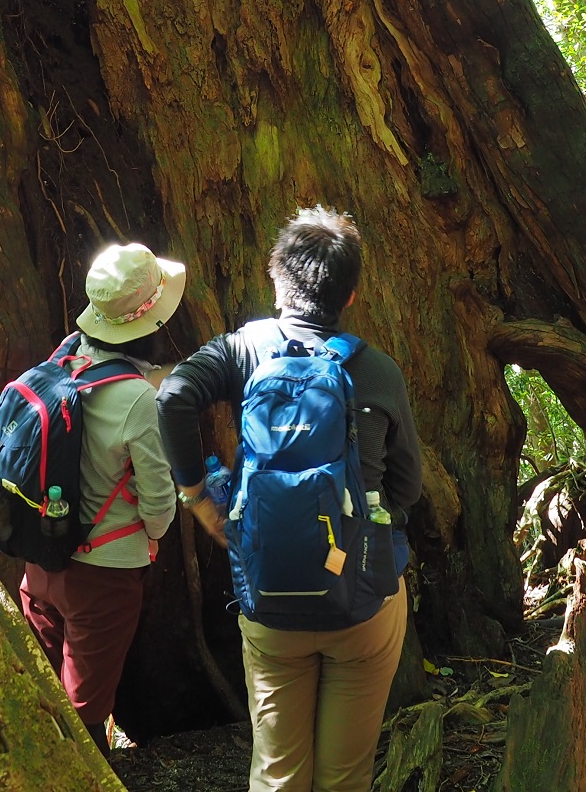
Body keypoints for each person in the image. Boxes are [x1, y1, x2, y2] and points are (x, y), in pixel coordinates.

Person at [159, 207, 423, 792]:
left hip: (270, 601)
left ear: (277, 280)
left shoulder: (245, 349)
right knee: (345, 776)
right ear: (350, 297)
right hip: (363, 601)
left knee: (277, 773)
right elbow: (407, 487)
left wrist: (200, 499)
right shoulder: (378, 371)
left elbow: (174, 394)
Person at [17, 242, 185, 751]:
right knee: (85, 717)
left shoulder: (64, 356)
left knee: (41, 700)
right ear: (151, 323)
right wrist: (152, 538)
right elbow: (159, 504)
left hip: (40, 561)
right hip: (103, 576)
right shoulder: (137, 399)